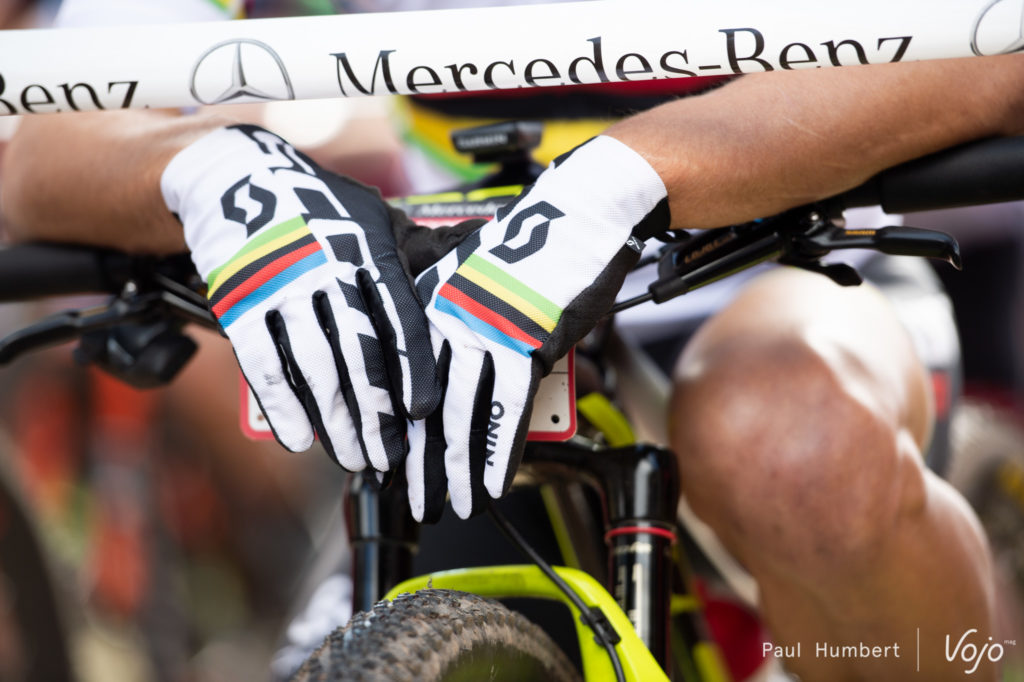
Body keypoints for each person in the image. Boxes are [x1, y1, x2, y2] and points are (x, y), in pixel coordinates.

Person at [3, 2, 1023, 680]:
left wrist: (629, 173)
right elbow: (47, 117)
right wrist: (211, 173)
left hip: (788, 258)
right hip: (463, 297)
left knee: (788, 444)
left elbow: (994, 54)